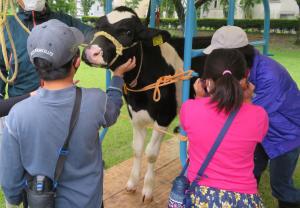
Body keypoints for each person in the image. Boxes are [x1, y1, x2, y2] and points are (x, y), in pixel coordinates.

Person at [0, 19, 136, 208]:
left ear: (35, 64)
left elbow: (11, 186)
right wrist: (118, 78)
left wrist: (18, 198)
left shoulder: (17, 115)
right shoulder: (96, 101)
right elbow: (112, 111)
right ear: (77, 62)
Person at [203, 25, 300, 208]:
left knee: (281, 186)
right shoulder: (241, 70)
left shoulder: (269, 76)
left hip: (286, 135)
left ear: (233, 55)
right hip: (263, 134)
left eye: (219, 55)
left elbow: (243, 116)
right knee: (249, 174)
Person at [180, 48, 268, 207]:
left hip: (200, 198)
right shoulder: (259, 115)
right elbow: (256, 132)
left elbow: (195, 122)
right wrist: (247, 101)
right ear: (244, 80)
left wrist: (199, 97)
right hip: (243, 199)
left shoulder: (189, 109)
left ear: (206, 81)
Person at [0, 0, 94, 99]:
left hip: (60, 102)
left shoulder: (64, 21)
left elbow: (97, 36)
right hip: (20, 103)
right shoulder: (6, 27)